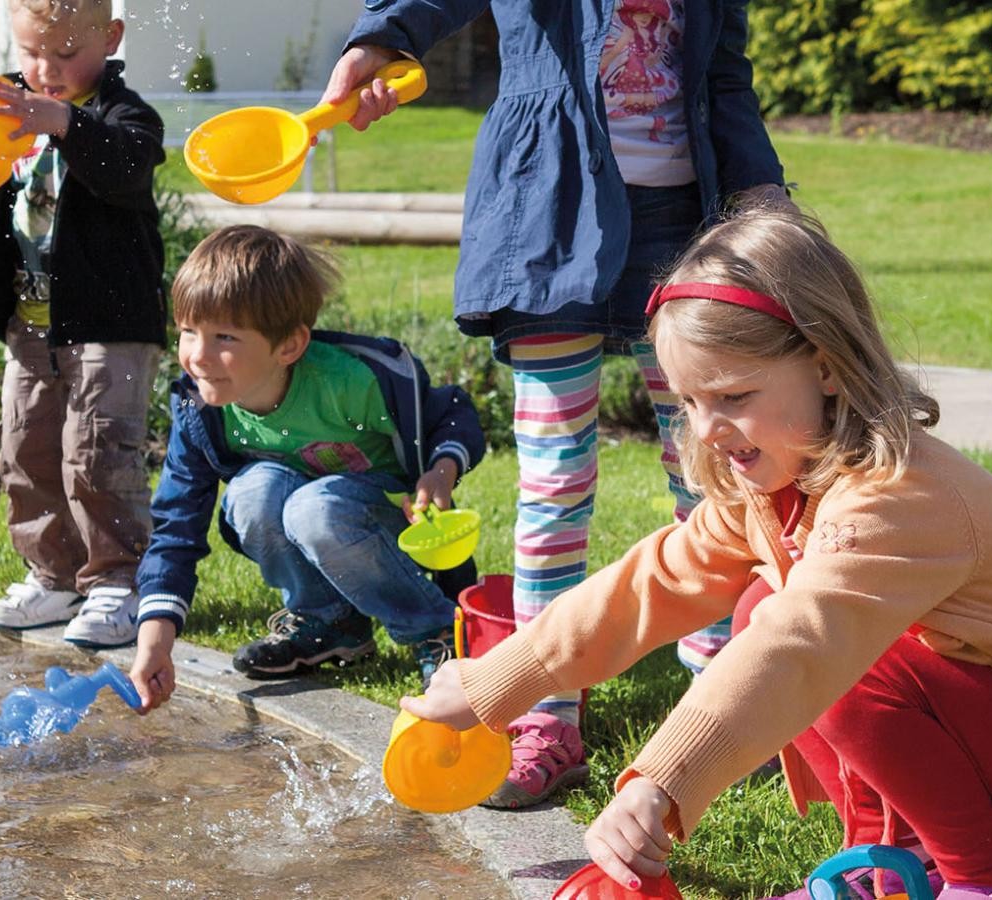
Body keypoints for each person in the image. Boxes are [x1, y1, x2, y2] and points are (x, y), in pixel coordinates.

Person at [401, 208, 992, 900]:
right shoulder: (774, 489)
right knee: (766, 606)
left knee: (810, 636)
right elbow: (649, 587)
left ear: (827, 365)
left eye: (732, 397)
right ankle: (891, 865)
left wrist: (660, 783)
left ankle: (990, 884)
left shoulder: (895, 498)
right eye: (689, 400)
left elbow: (796, 651)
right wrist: (492, 686)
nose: (704, 429)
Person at [326, 0, 793, 809]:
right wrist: (383, 35)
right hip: (549, 210)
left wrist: (764, 199)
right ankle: (545, 715)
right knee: (554, 480)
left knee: (712, 473)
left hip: (688, 223)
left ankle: (719, 701)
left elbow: (724, 76)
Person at [0, 0, 167, 649]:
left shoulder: (122, 117)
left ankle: (119, 582)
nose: (47, 69)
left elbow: (127, 168)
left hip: (109, 322)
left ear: (111, 38)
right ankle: (54, 575)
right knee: (26, 449)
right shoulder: (2, 115)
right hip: (30, 322)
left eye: (67, 53)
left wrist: (65, 121)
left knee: (97, 451)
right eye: (32, 53)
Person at [123, 225, 488, 713]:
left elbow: (452, 413)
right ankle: (330, 624)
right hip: (311, 514)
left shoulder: (354, 381)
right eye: (189, 331)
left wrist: (441, 472)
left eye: (224, 336)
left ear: (290, 346)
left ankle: (435, 628)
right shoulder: (202, 410)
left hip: (390, 525)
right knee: (252, 494)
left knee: (313, 509)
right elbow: (176, 527)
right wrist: (154, 640)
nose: (198, 356)